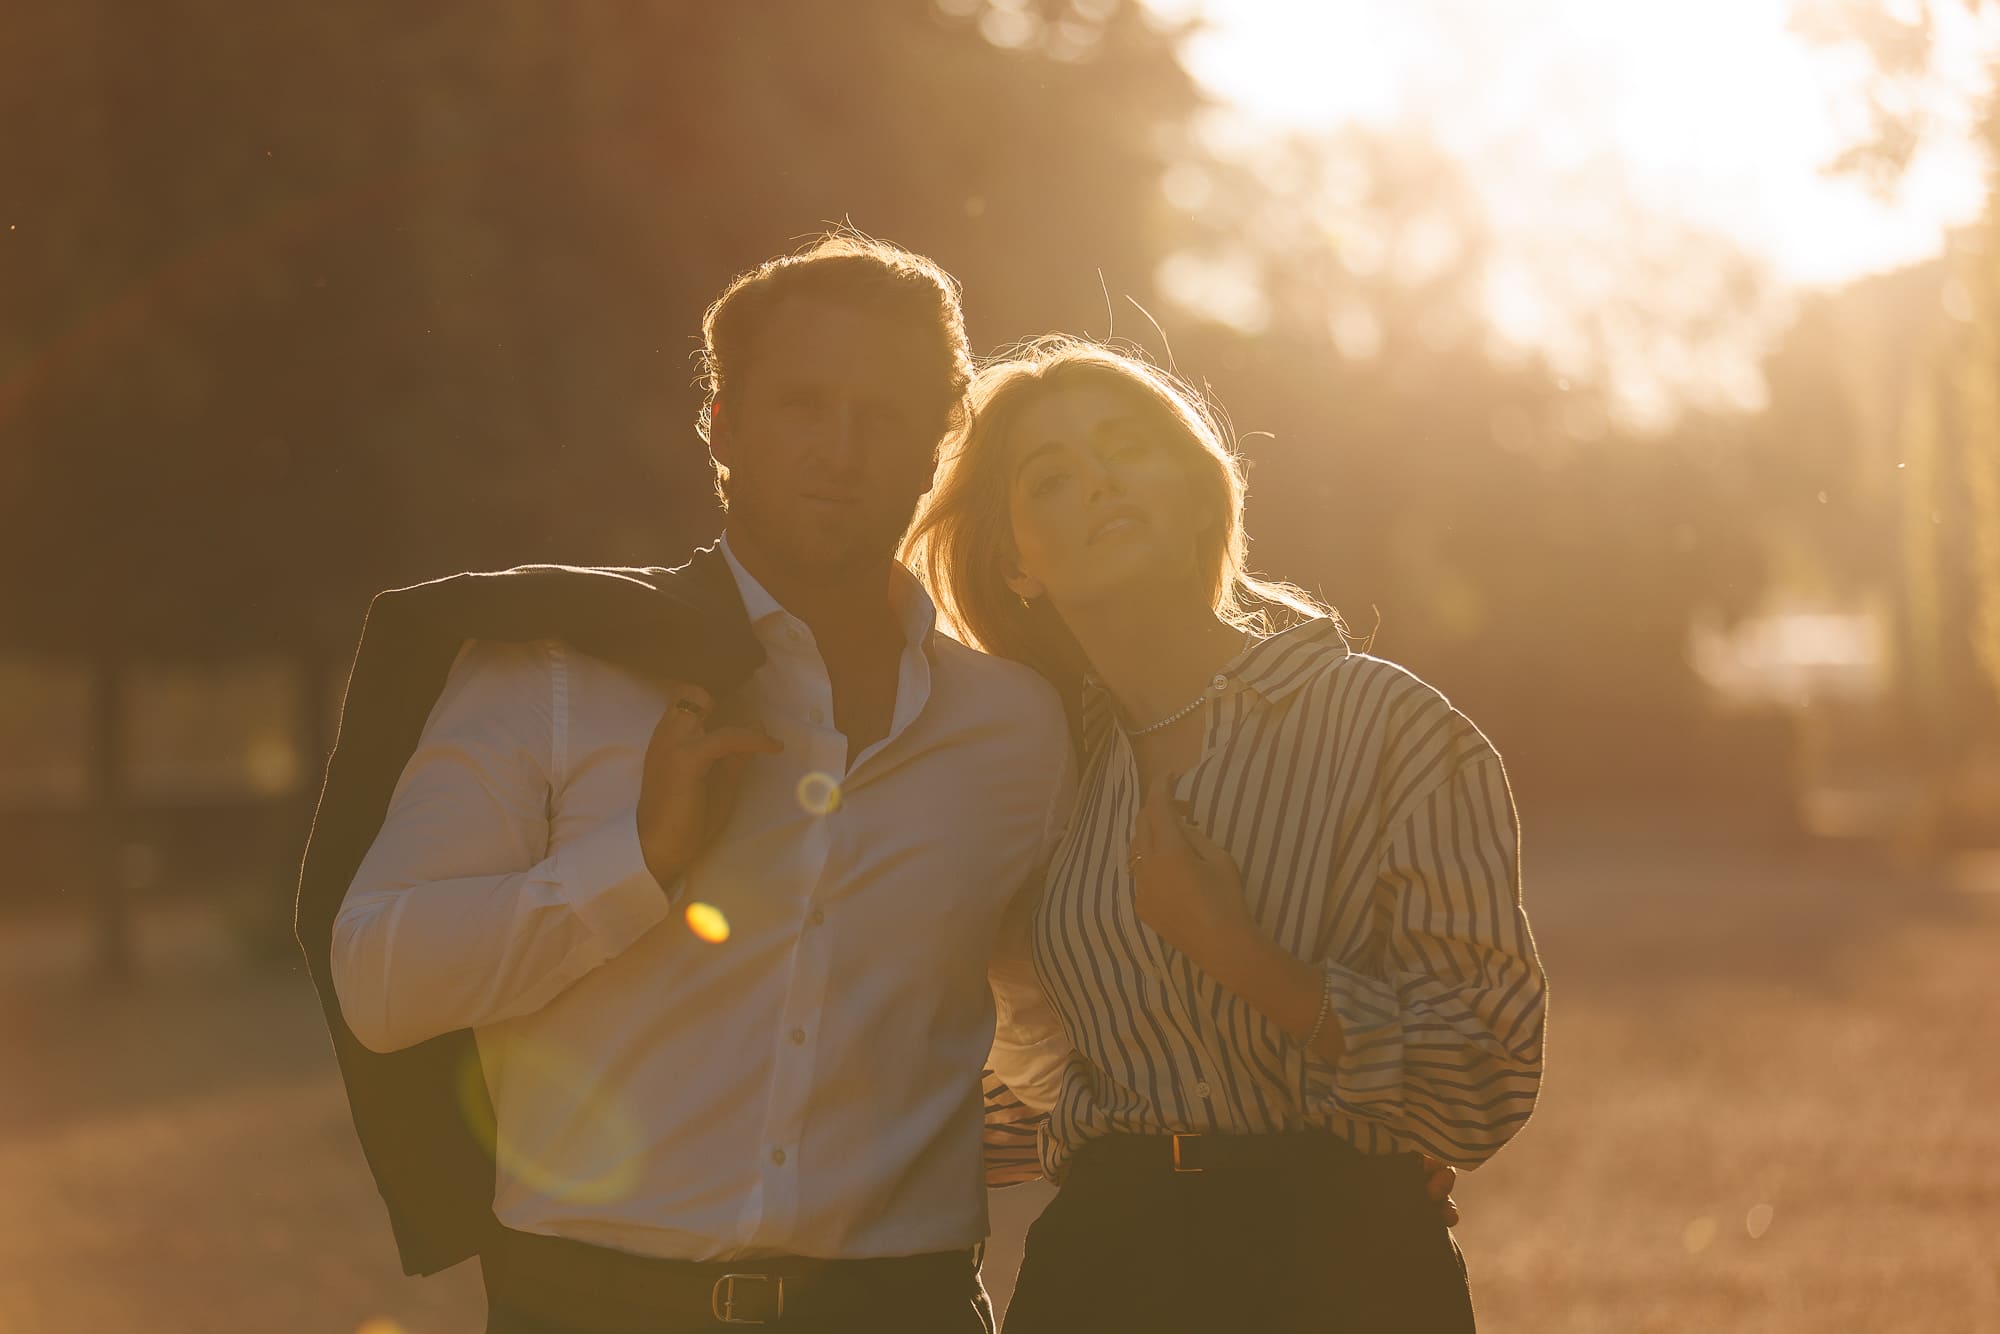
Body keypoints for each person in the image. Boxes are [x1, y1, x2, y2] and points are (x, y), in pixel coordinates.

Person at [294, 233, 1461, 1334]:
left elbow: (1082, 1000)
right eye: (801, 405)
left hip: (899, 1310)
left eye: (880, 414)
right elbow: (379, 978)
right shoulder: (548, 674)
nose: (838, 448)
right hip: (586, 1303)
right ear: (721, 423)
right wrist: (633, 862)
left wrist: (1338, 1139)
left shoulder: (1020, 727)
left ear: (938, 440)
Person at [907, 336, 1547, 1332]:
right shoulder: (1032, 767)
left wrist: (1242, 955)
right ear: (1012, 561)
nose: (1101, 481)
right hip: (1102, 1267)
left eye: (1125, 445)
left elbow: (1483, 1082)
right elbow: (1008, 1073)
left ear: (1200, 489)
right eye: (1051, 478)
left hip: (1346, 1267)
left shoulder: (1391, 730)